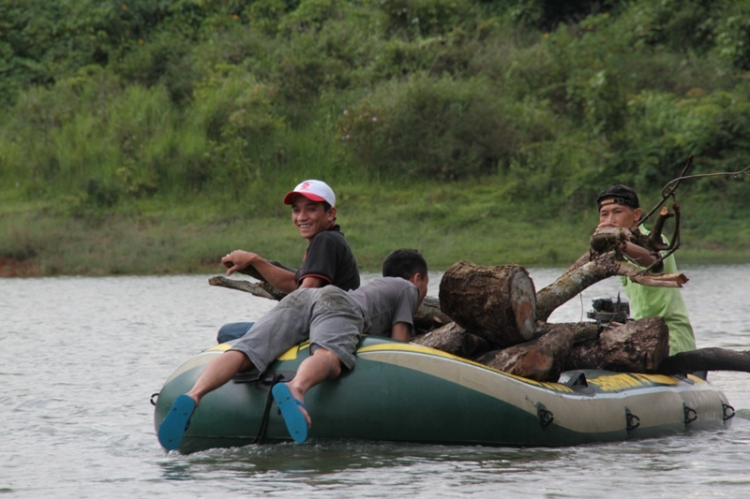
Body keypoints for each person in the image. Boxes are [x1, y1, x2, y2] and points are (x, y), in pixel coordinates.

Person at [158, 249, 429, 449]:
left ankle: (194, 395)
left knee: (246, 350)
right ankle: (296, 388)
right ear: (418, 278)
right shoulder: (407, 289)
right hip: (338, 303)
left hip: (305, 296)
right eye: (425, 286)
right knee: (328, 357)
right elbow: (399, 347)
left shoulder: (379, 287)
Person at [216, 179, 360, 343]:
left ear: (330, 214)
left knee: (227, 333)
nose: (301, 217)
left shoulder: (325, 240)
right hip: (328, 324)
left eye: (311, 209)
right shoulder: (331, 239)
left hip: (323, 328)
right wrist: (255, 262)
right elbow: (296, 281)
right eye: (296, 210)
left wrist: (254, 260)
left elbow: (304, 293)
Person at [596, 185, 696, 355]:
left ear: (636, 215)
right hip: (642, 335)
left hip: (672, 338)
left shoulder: (656, 241)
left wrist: (620, 244)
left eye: (617, 212)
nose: (610, 220)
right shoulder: (614, 253)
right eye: (604, 214)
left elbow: (652, 260)